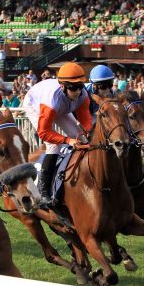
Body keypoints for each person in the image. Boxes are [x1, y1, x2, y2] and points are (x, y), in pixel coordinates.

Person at [23, 62, 91, 208]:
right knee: (54, 145)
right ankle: (44, 192)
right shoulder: (51, 101)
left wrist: (84, 133)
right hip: (36, 105)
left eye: (80, 86)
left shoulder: (83, 94)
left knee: (83, 138)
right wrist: (68, 140)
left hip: (61, 107)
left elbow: (85, 122)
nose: (78, 91)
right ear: (63, 86)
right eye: (73, 88)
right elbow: (44, 132)